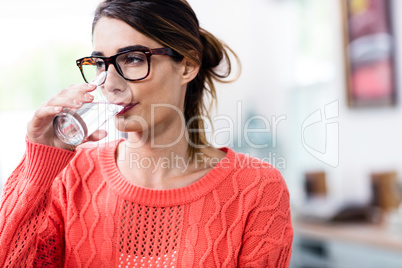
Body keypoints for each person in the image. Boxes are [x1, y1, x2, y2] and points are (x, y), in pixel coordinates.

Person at [0, 0, 293, 267]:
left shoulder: (256, 188)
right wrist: (39, 165)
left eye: (133, 59)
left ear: (187, 65)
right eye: (102, 64)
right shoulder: (71, 175)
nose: (110, 84)